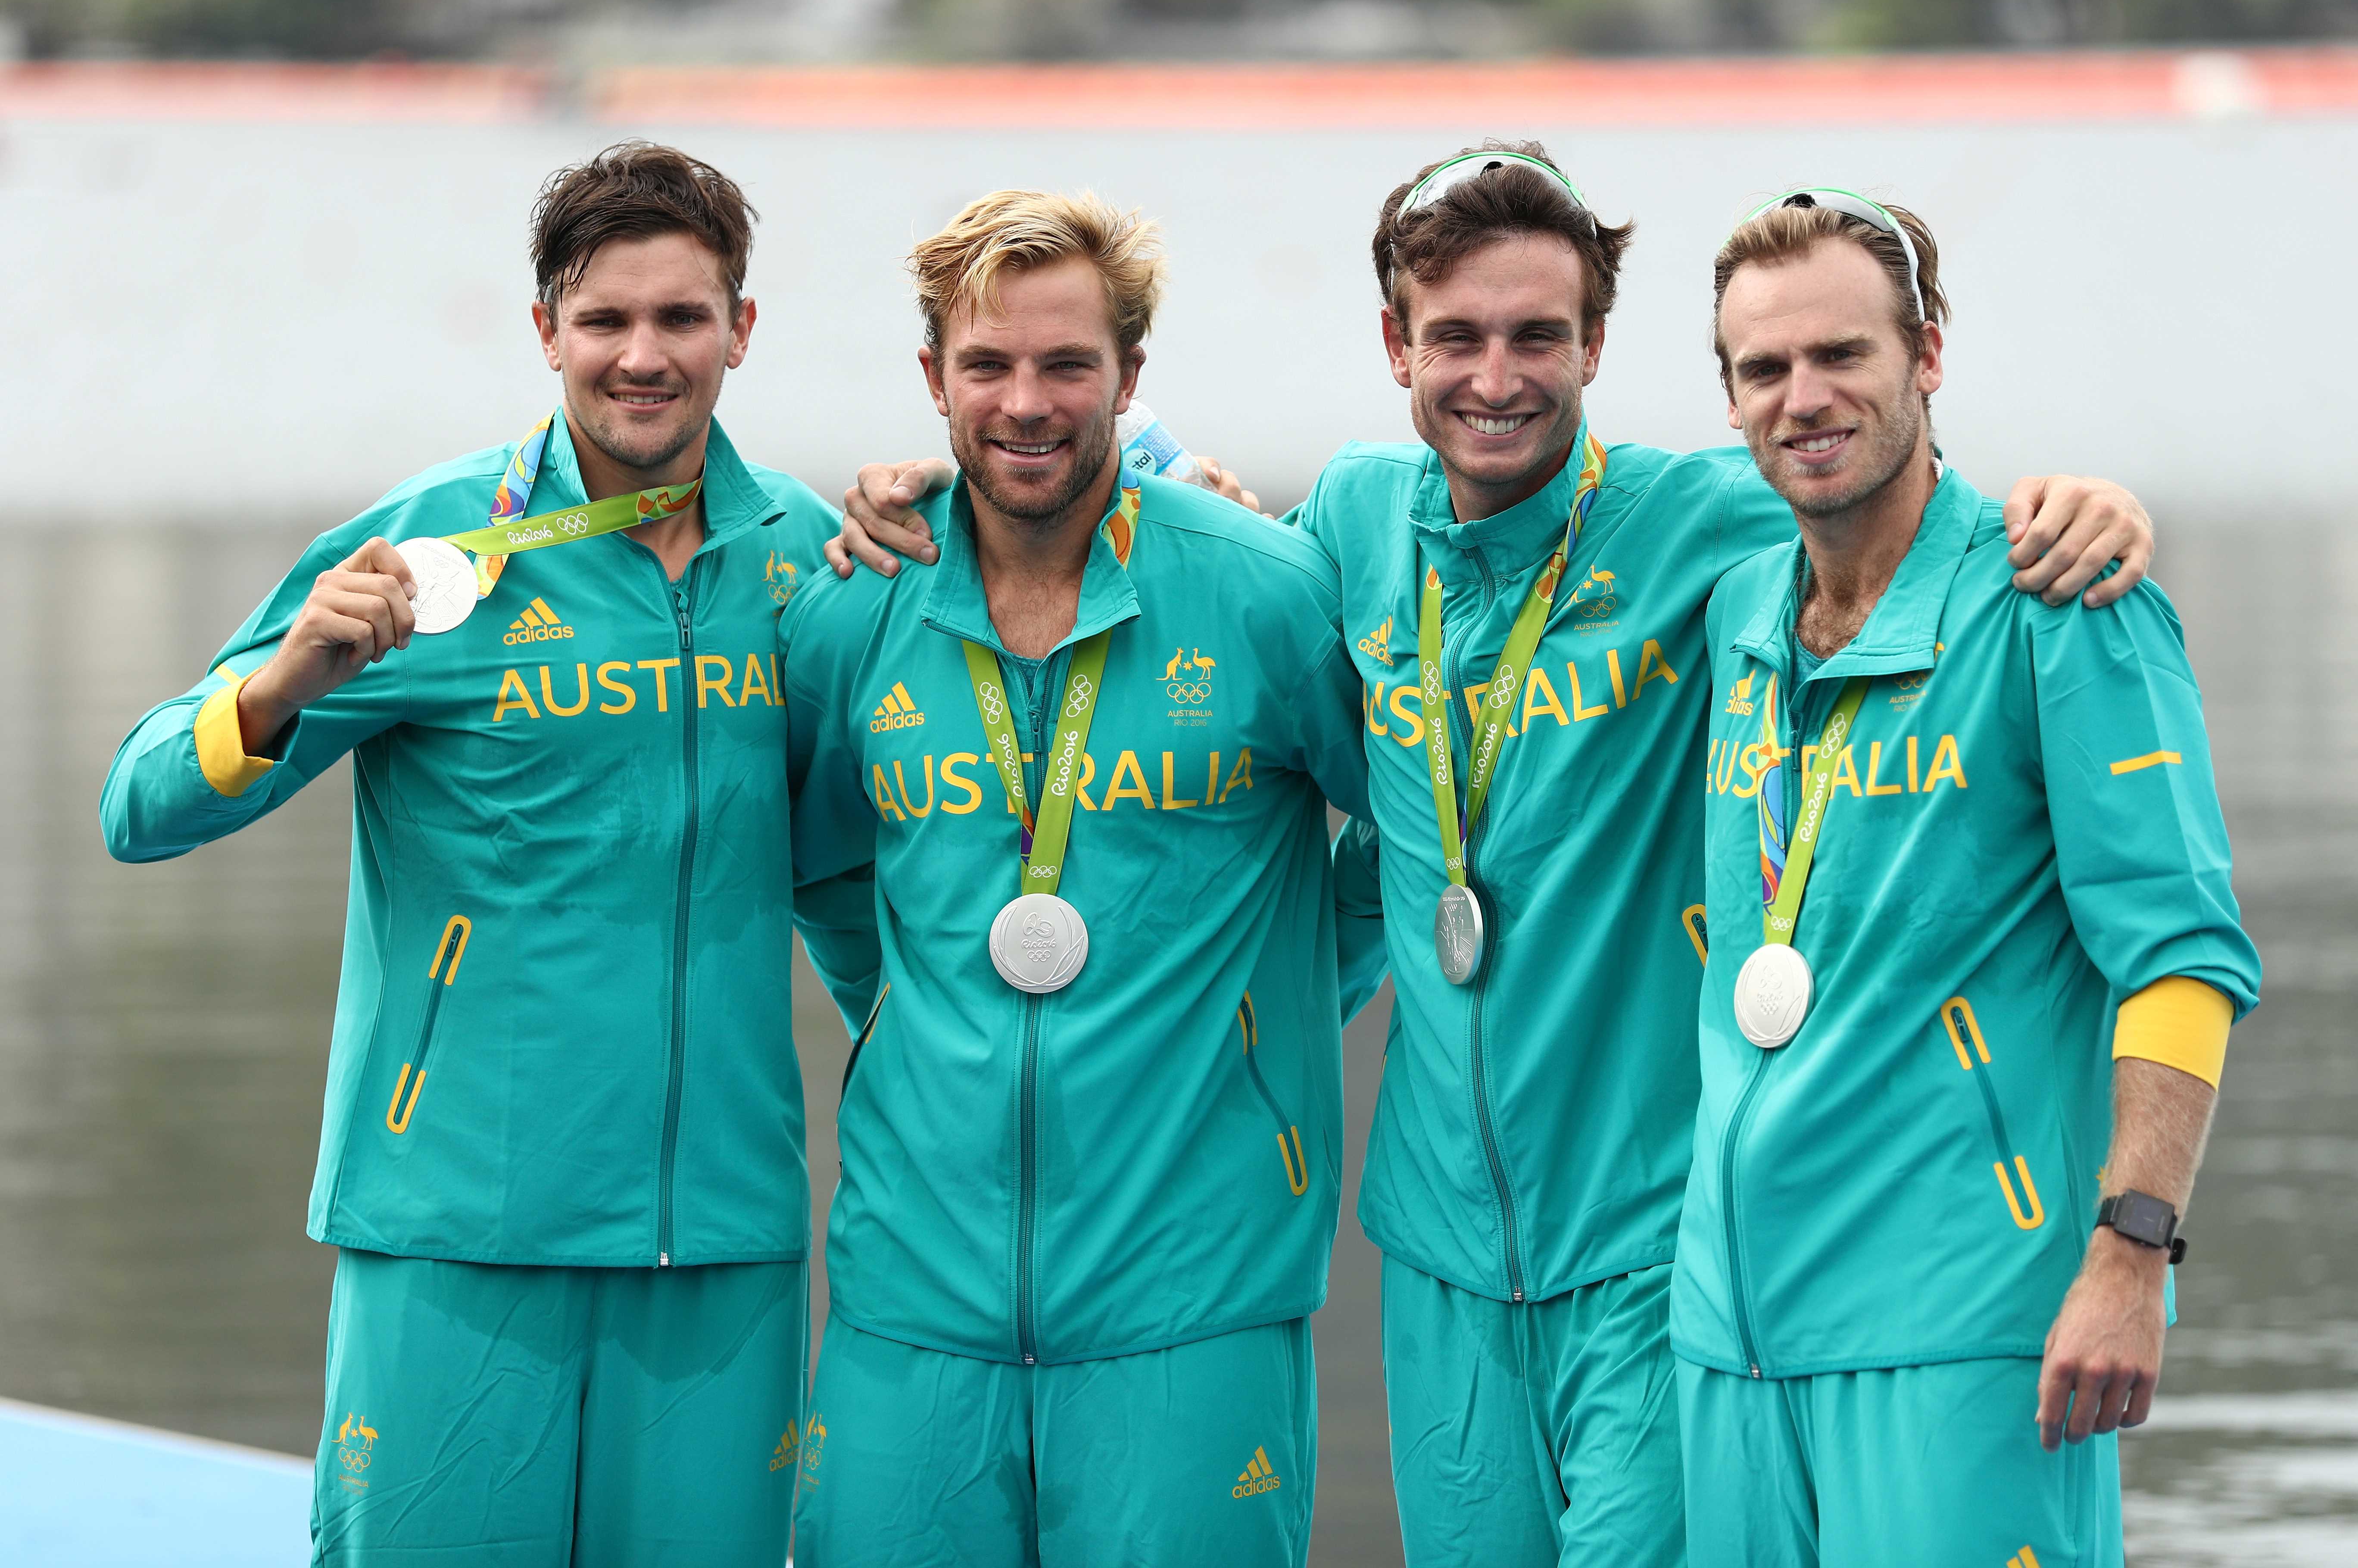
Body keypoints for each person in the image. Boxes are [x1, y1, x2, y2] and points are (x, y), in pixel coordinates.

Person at [825, 146, 2159, 1568]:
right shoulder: (1343, 523)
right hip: (1437, 1251)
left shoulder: (1704, 518)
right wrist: (911, 485)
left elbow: (1863, 465)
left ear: (1595, 344)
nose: (1496, 377)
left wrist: (2075, 502)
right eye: (1454, 336)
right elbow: (1137, 522)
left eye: (1538, 336)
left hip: (1655, 1249)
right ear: (1396, 344)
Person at [99, 143, 838, 1567]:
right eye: (604, 320)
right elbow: (139, 807)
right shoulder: (433, 553)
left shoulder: (808, 559)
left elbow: (870, 873)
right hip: (457, 1226)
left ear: (742, 332)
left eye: (682, 318)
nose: (642, 357)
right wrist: (287, 679)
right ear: (546, 329)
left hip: (724, 1237)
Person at [779, 189, 1369, 1568]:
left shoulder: (1265, 590)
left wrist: (1259, 1017)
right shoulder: (857, 606)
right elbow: (821, 864)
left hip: (1196, 1296)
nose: (1026, 402)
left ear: (1131, 377)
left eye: (1067, 364)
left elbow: (1412, 835)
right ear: (934, 380)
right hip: (909, 1300)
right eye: (986, 365)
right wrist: (910, 1011)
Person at [1678, 191, 2260, 1567]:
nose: (1804, 398)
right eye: (1764, 369)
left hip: (1965, 1331)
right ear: (1731, 396)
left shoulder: (2062, 603)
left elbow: (2183, 959)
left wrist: (2131, 1260)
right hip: (1731, 1339)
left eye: (1844, 356)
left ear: (1926, 356)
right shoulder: (1738, 618)